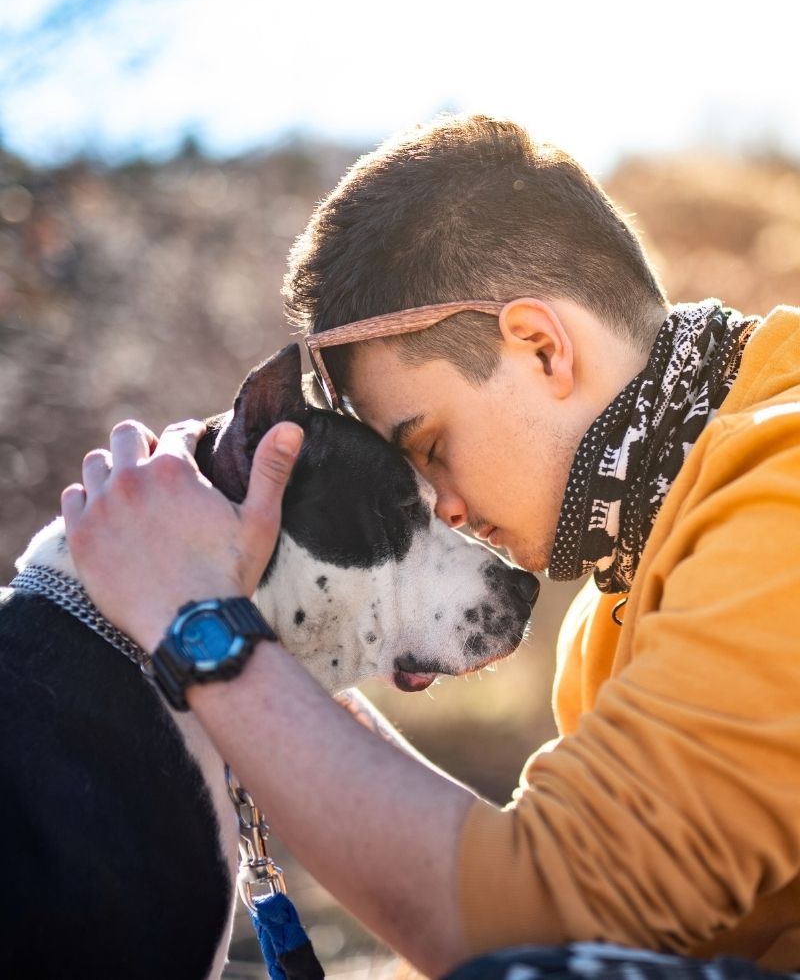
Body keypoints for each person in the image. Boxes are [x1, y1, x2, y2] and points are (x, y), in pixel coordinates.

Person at [62, 115, 800, 979]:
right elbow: (531, 880)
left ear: (539, 345)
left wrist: (194, 619)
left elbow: (542, 927)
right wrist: (285, 653)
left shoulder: (782, 482)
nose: (444, 508)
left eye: (431, 447)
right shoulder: (616, 599)